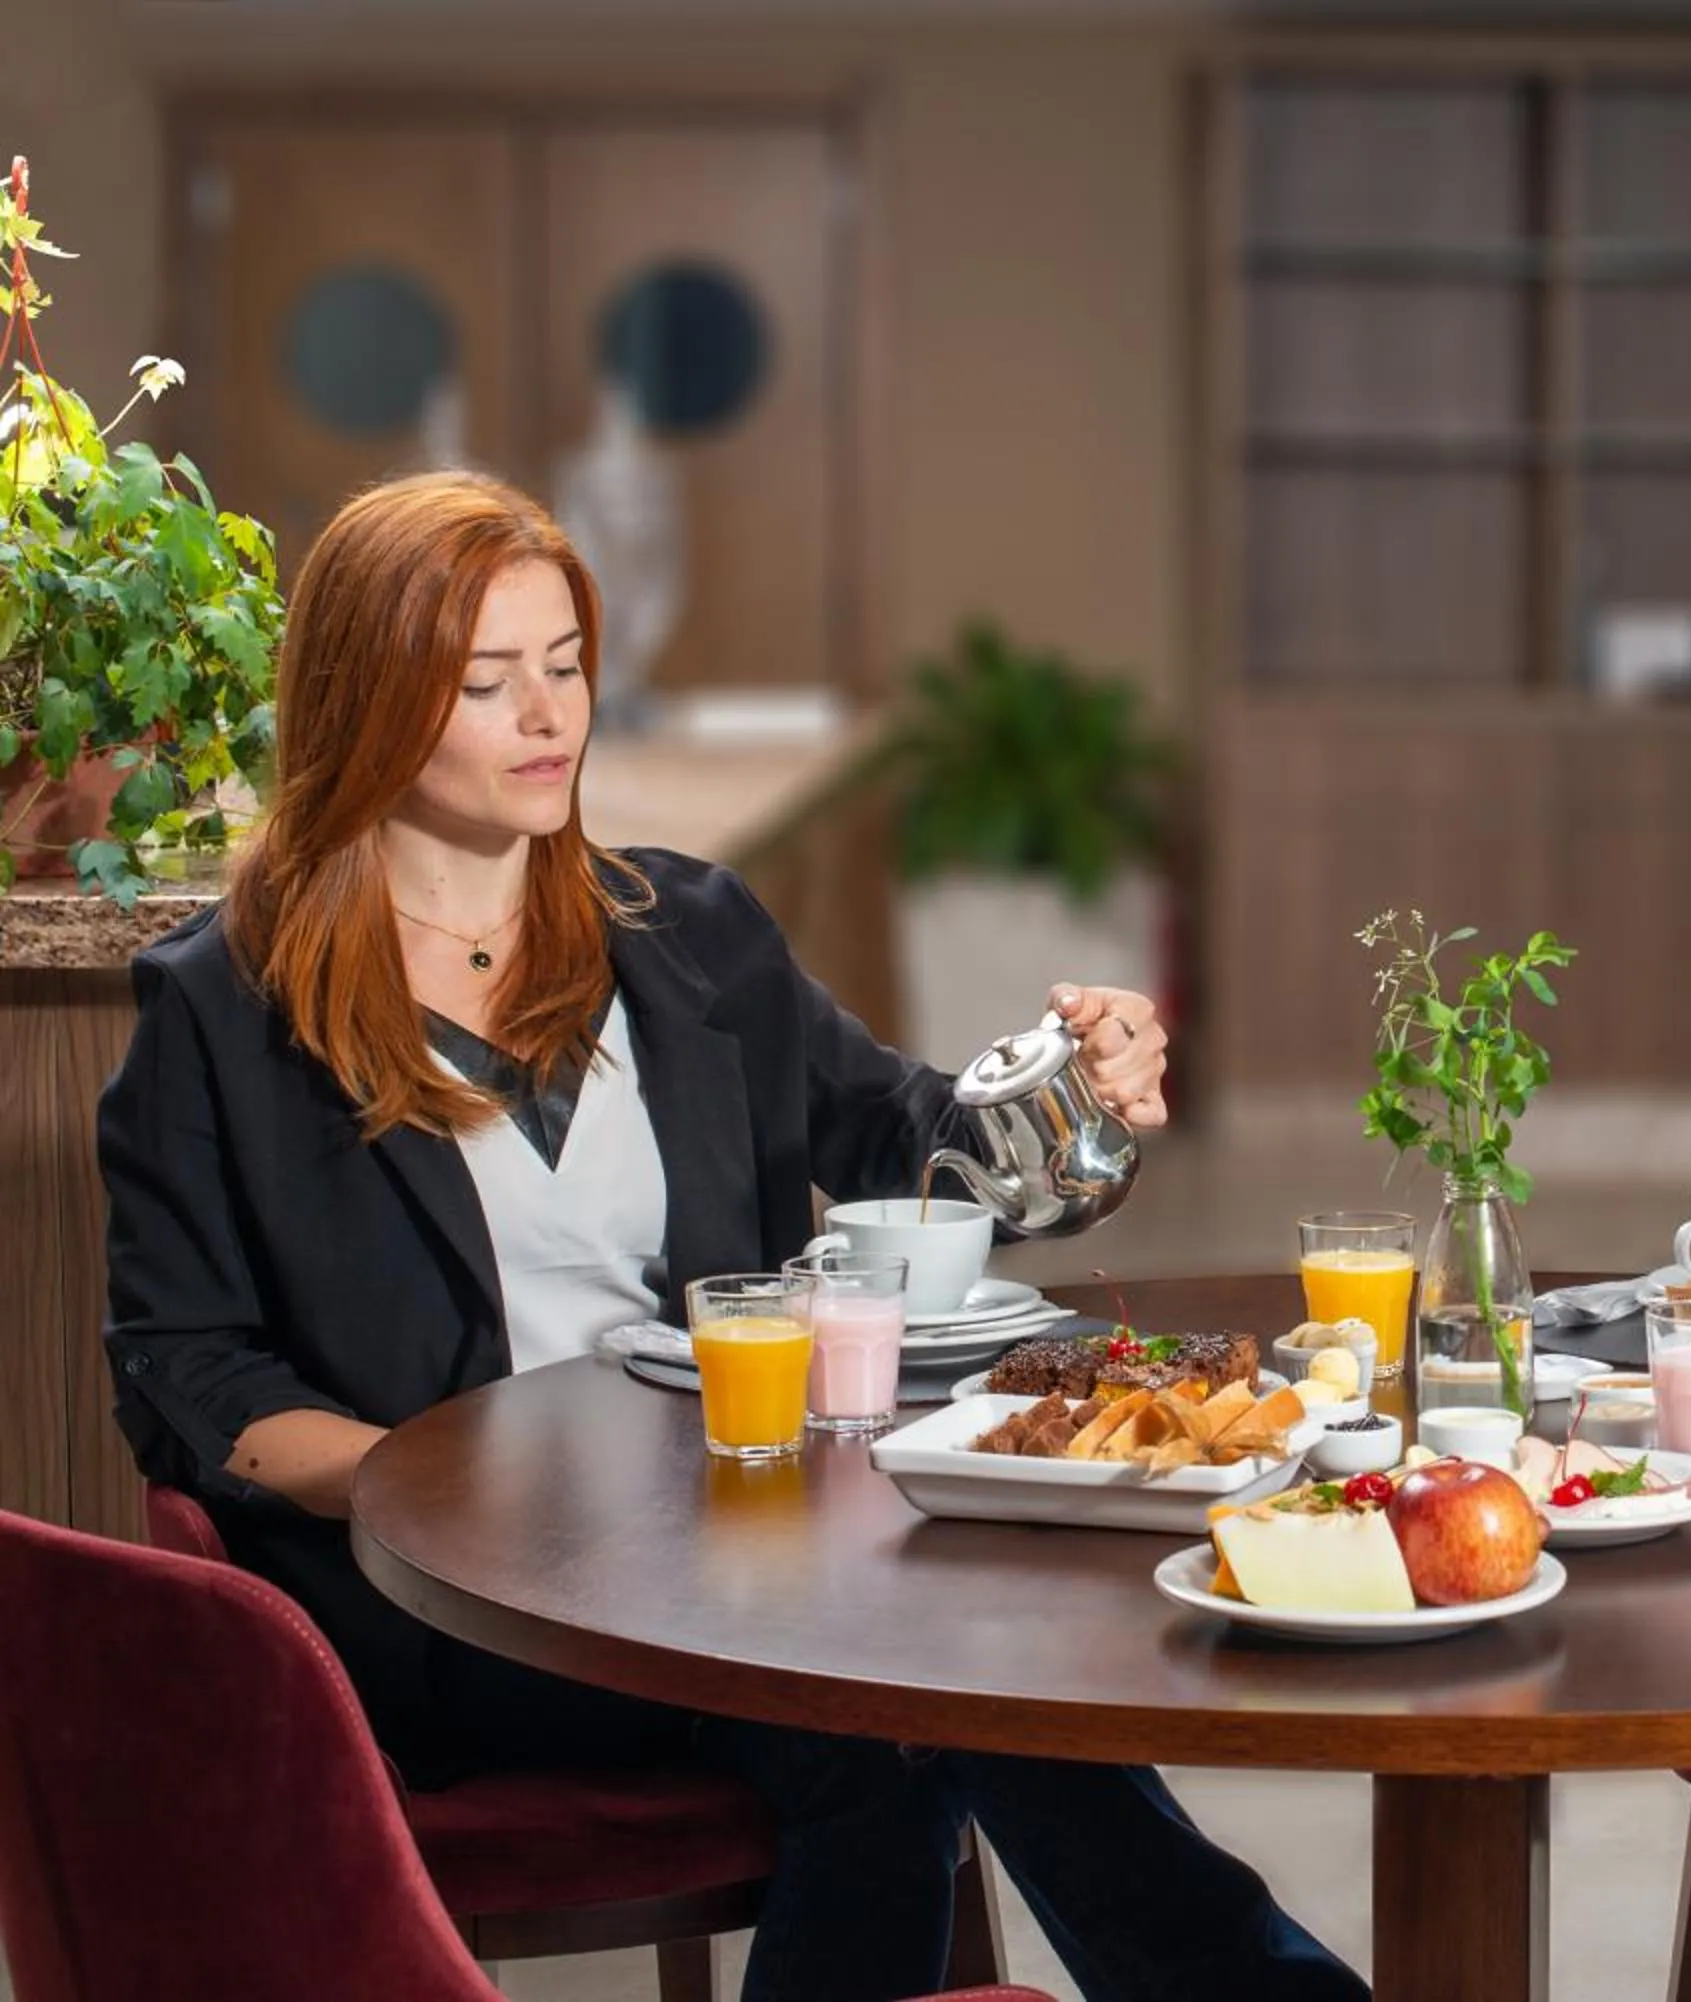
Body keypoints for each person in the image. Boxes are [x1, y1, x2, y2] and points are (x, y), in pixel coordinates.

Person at [99, 470, 1366, 2002]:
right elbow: (184, 1367)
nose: (548, 712)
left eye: (565, 663)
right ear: (365, 695)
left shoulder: (685, 932)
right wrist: (427, 1485)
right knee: (903, 1703)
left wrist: (1080, 1101)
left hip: (735, 1551)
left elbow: (925, 1147)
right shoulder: (222, 1010)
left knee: (955, 1671)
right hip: (457, 1604)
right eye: (486, 679)